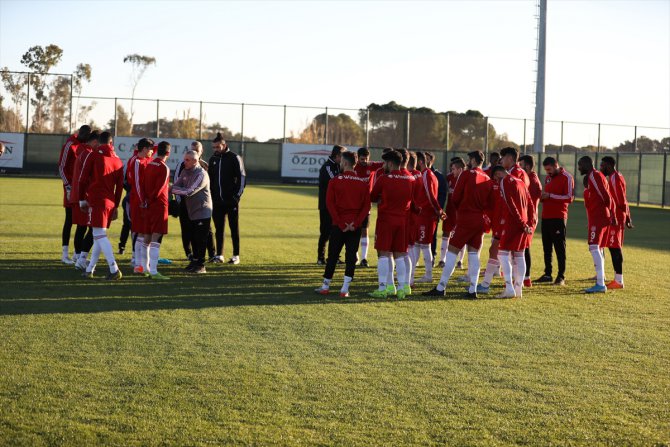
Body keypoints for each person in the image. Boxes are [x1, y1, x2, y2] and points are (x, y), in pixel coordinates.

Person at [424, 151, 493, 299]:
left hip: (466, 218)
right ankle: (472, 289)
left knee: (452, 251)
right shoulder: (487, 178)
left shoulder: (467, 174)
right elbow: (489, 202)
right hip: (480, 220)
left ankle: (441, 287)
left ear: (473, 160)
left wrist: (461, 207)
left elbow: (455, 198)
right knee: (474, 255)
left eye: (469, 159)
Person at [315, 151, 371, 297]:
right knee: (351, 257)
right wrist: (356, 223)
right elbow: (366, 207)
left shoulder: (335, 181)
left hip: (338, 225)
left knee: (333, 255)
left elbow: (329, 204)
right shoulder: (363, 183)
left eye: (341, 162)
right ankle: (345, 289)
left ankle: (325, 286)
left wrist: (340, 222)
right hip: (355, 226)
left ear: (345, 163)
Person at [77, 131, 124, 280]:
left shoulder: (93, 155)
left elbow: (82, 179)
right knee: (98, 235)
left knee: (99, 235)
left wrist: (81, 200)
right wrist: (116, 205)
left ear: (99, 142)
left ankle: (114, 269)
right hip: (109, 202)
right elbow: (120, 187)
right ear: (111, 143)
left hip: (97, 201)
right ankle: (90, 269)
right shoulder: (118, 161)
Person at [369, 150, 415, 299]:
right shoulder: (410, 179)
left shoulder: (384, 178)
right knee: (400, 255)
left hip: (386, 220)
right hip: (402, 221)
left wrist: (382, 198)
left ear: (390, 163)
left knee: (383, 254)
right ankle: (402, 288)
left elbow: (372, 196)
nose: (384, 165)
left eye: (385, 163)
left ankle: (383, 288)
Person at [490, 165, 536, 298]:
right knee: (519, 254)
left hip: (513, 223)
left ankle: (509, 288)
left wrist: (521, 223)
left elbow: (510, 205)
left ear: (499, 173)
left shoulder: (505, 181)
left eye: (496, 178)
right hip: (523, 223)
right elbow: (531, 204)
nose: (497, 182)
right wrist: (530, 222)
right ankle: (518, 289)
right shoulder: (520, 182)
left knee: (502, 254)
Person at [578, 155, 615, 294]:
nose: (578, 168)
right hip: (597, 218)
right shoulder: (595, 176)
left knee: (594, 247)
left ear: (586, 164)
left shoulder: (594, 175)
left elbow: (606, 196)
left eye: (580, 165)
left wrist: (612, 213)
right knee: (597, 248)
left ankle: (600, 283)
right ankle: (600, 280)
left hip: (599, 218)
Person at [172, 150, 213, 274]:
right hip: (191, 211)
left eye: (187, 160)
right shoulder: (185, 171)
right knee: (193, 237)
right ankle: (194, 262)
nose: (184, 162)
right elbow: (176, 185)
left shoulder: (201, 174)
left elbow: (189, 191)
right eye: (184, 159)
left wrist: (172, 189)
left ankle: (201, 265)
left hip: (202, 210)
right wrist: (174, 188)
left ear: (195, 161)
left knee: (200, 239)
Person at [209, 133, 246, 265]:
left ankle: (236, 255)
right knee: (219, 229)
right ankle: (219, 255)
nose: (215, 149)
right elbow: (211, 179)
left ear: (224, 145)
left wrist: (236, 196)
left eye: (217, 147)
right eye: (213, 147)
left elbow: (242, 178)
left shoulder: (234, 157)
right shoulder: (213, 159)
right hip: (217, 201)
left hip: (231, 201)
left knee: (234, 228)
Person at [537, 157, 574, 286]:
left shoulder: (567, 177)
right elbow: (548, 194)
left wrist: (550, 196)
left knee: (559, 248)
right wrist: (543, 197)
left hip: (558, 217)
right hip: (545, 217)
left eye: (549, 169)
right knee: (546, 248)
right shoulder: (548, 178)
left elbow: (569, 197)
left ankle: (561, 276)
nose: (547, 172)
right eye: (546, 170)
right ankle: (548, 274)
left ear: (556, 165)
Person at [57, 124, 91, 264]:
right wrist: (68, 186)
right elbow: (61, 167)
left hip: (82, 189)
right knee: (69, 219)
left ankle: (78, 254)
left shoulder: (85, 146)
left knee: (81, 220)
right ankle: (65, 254)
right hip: (71, 188)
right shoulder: (70, 144)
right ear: (82, 134)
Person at [412, 151, 445, 284]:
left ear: (420, 162)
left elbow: (431, 196)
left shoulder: (426, 174)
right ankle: (412, 274)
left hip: (426, 215)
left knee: (424, 245)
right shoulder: (429, 174)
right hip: (424, 215)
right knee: (418, 244)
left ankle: (428, 275)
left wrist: (438, 210)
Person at [600, 156, 633, 289]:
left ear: (608, 165)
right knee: (613, 247)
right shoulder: (616, 176)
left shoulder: (614, 178)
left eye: (602, 166)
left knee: (615, 248)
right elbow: (624, 199)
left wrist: (624, 216)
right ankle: (616, 278)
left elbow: (620, 200)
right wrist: (628, 216)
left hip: (616, 218)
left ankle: (619, 280)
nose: (601, 168)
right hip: (616, 216)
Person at [142, 141, 172, 279]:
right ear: (168, 153)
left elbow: (143, 184)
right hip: (158, 205)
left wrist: (145, 200)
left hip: (148, 204)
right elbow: (159, 190)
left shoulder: (149, 165)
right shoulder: (164, 167)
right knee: (156, 236)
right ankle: (153, 271)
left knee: (147, 236)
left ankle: (145, 268)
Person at [70, 130, 99, 271]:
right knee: (87, 227)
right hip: (84, 196)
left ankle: (78, 256)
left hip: (79, 195)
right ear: (94, 142)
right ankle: (79, 257)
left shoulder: (83, 151)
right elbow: (86, 178)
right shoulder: (88, 153)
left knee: (82, 227)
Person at [126, 138, 155, 274]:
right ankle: (139, 264)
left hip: (144, 202)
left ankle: (140, 265)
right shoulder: (137, 161)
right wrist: (142, 200)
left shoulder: (146, 160)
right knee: (140, 231)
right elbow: (136, 184)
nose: (151, 152)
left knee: (142, 233)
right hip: (138, 202)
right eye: (150, 149)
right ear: (144, 149)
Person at [353, 147, 383, 267]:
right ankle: (354, 255)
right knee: (354, 231)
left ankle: (364, 258)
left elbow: (386, 164)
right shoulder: (354, 167)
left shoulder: (372, 166)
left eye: (366, 159)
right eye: (362, 159)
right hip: (353, 204)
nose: (364, 161)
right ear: (357, 157)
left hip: (366, 204)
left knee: (364, 230)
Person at [316, 145, 346, 265]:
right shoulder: (327, 167)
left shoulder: (338, 166)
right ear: (337, 156)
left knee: (336, 232)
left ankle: (334, 257)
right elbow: (336, 182)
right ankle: (320, 258)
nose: (343, 160)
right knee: (325, 232)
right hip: (326, 206)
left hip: (336, 205)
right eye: (342, 157)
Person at [519, 154, 542, 287]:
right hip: (528, 217)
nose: (519, 168)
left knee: (524, 247)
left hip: (528, 218)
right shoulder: (530, 178)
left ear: (527, 166)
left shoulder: (531, 180)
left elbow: (528, 202)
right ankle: (524, 277)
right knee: (522, 248)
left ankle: (526, 278)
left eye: (521, 165)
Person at [438, 157, 465, 268]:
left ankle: (460, 261)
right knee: (446, 233)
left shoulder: (466, 178)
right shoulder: (449, 177)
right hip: (450, 211)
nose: (451, 170)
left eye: (453, 167)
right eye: (451, 167)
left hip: (461, 212)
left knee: (462, 235)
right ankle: (442, 260)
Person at [427, 152, 447, 261]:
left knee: (432, 235)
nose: (426, 161)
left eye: (428, 159)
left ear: (432, 161)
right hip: (420, 212)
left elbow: (442, 194)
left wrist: (438, 208)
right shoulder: (419, 174)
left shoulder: (438, 176)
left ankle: (432, 256)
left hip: (433, 211)